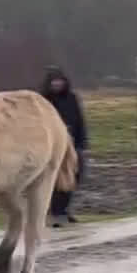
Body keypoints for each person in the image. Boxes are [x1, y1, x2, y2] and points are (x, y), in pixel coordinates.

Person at [39, 66, 87, 225]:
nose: (57, 84)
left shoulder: (72, 98)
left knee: (74, 176)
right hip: (52, 145)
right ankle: (55, 211)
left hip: (71, 144)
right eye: (54, 81)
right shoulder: (44, 100)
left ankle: (64, 209)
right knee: (54, 179)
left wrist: (82, 143)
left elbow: (80, 120)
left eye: (59, 81)